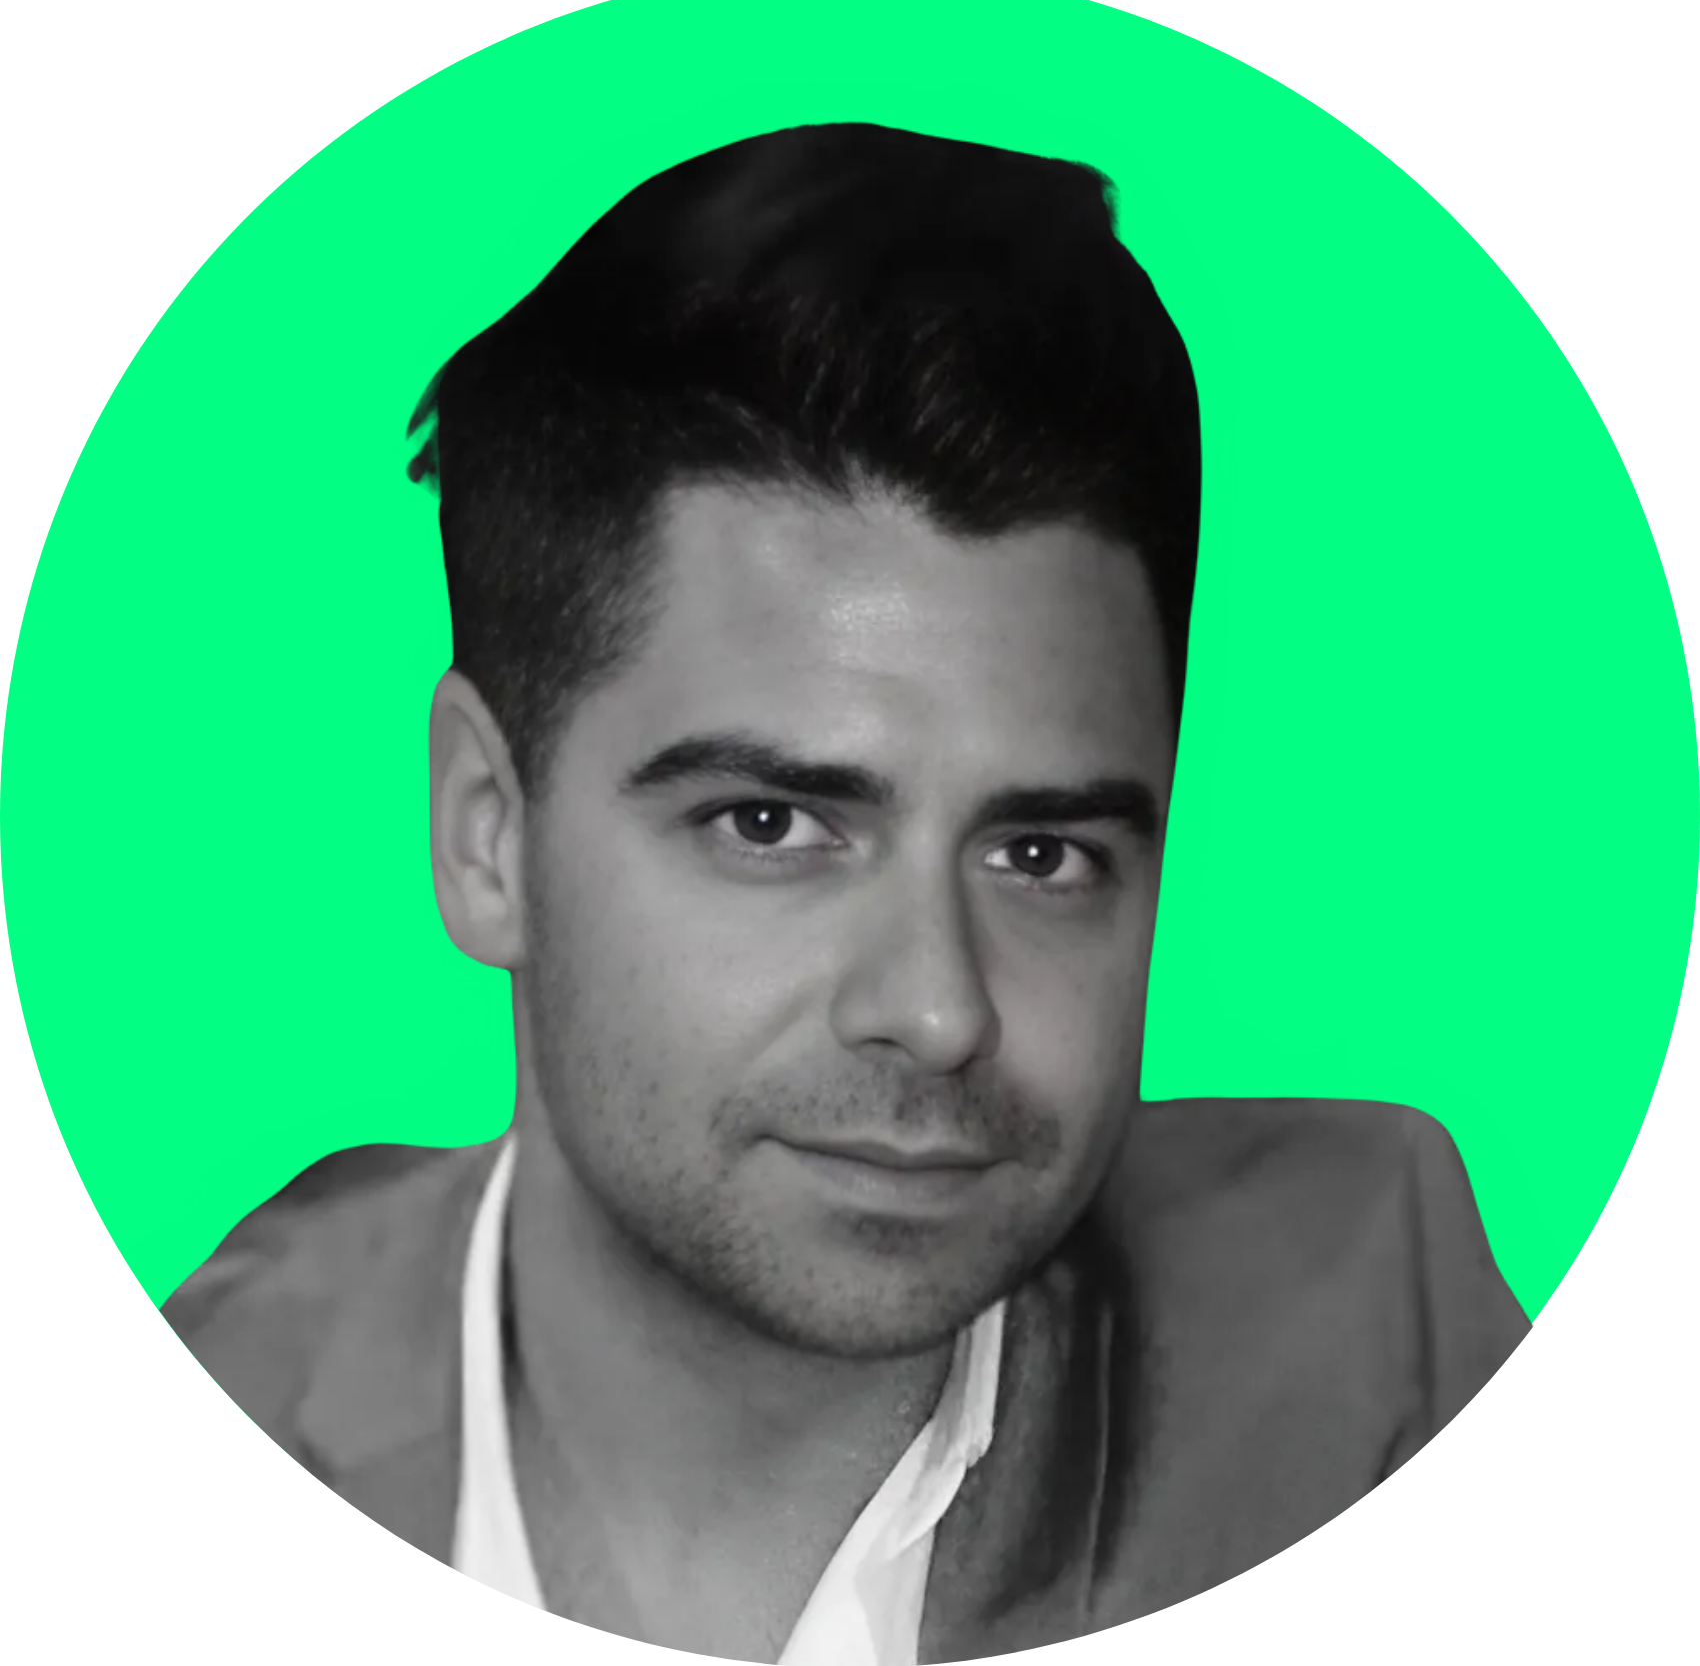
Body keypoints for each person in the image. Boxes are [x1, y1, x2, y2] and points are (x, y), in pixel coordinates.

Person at [162, 122, 1528, 1660]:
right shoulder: (253, 1370)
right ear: (488, 833)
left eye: (1040, 855)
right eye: (770, 825)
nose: (939, 1009)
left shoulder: (1360, 1331)